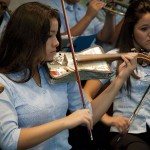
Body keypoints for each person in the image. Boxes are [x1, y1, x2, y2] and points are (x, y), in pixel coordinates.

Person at [0, 2, 137, 150]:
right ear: (27, 38)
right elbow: (9, 141)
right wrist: (66, 121)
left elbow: (89, 114)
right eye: (49, 36)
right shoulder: (5, 81)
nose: (57, 43)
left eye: (56, 34)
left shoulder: (58, 70)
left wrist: (119, 79)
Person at [84, 0, 150, 149]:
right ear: (131, 30)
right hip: (128, 133)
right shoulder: (115, 58)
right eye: (144, 28)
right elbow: (85, 94)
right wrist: (107, 119)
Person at [49, 0, 116, 52]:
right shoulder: (50, 7)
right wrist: (88, 17)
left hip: (91, 55)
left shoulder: (82, 8)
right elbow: (60, 39)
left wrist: (109, 15)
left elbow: (104, 37)